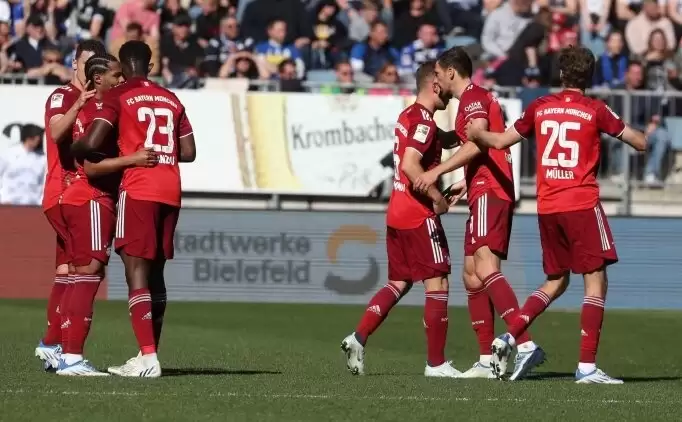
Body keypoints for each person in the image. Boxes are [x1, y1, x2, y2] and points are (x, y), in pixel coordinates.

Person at [465, 46, 647, 384]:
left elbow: (502, 141)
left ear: (562, 75)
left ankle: (509, 337)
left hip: (548, 206)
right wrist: (643, 135)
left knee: (557, 280)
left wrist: (476, 134)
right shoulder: (595, 109)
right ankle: (587, 367)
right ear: (590, 77)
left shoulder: (540, 107)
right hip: (580, 202)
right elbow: (638, 142)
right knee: (596, 281)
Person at [412, 47, 544, 381]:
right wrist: (464, 182)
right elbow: (472, 145)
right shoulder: (468, 102)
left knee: (484, 266)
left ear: (452, 73)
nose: (436, 79)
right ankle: (486, 358)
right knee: (471, 274)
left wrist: (437, 171)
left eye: (439, 73)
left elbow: (478, 143)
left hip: (491, 192)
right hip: (481, 189)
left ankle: (524, 343)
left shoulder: (473, 98)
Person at [74, 40, 197, 378]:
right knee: (156, 274)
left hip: (139, 187)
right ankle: (148, 354)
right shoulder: (171, 98)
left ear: (121, 68)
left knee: (135, 270)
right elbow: (188, 152)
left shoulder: (117, 96)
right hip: (170, 189)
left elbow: (93, 141)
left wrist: (77, 145)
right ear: (151, 66)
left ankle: (148, 358)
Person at [341, 60, 462, 378]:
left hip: (396, 212)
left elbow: (432, 140)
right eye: (444, 88)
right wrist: (437, 199)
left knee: (399, 282)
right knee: (438, 281)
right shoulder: (423, 121)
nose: (449, 94)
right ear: (434, 85)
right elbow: (410, 165)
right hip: (417, 213)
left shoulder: (409, 116)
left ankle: (358, 337)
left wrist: (461, 135)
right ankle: (436, 364)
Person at [58, 54, 157, 376]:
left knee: (81, 275)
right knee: (89, 274)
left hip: (81, 198)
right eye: (116, 74)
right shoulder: (98, 113)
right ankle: (72, 357)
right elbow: (90, 166)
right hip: (91, 197)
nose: (121, 78)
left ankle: (67, 354)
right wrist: (134, 160)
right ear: (98, 78)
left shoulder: (99, 111)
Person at [34, 39, 106, 372]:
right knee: (86, 268)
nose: (91, 71)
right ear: (74, 63)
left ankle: (51, 344)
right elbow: (55, 131)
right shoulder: (63, 96)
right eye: (86, 63)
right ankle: (70, 353)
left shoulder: (96, 99)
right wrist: (79, 105)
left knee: (67, 271)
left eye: (97, 64)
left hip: (65, 195)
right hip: (67, 192)